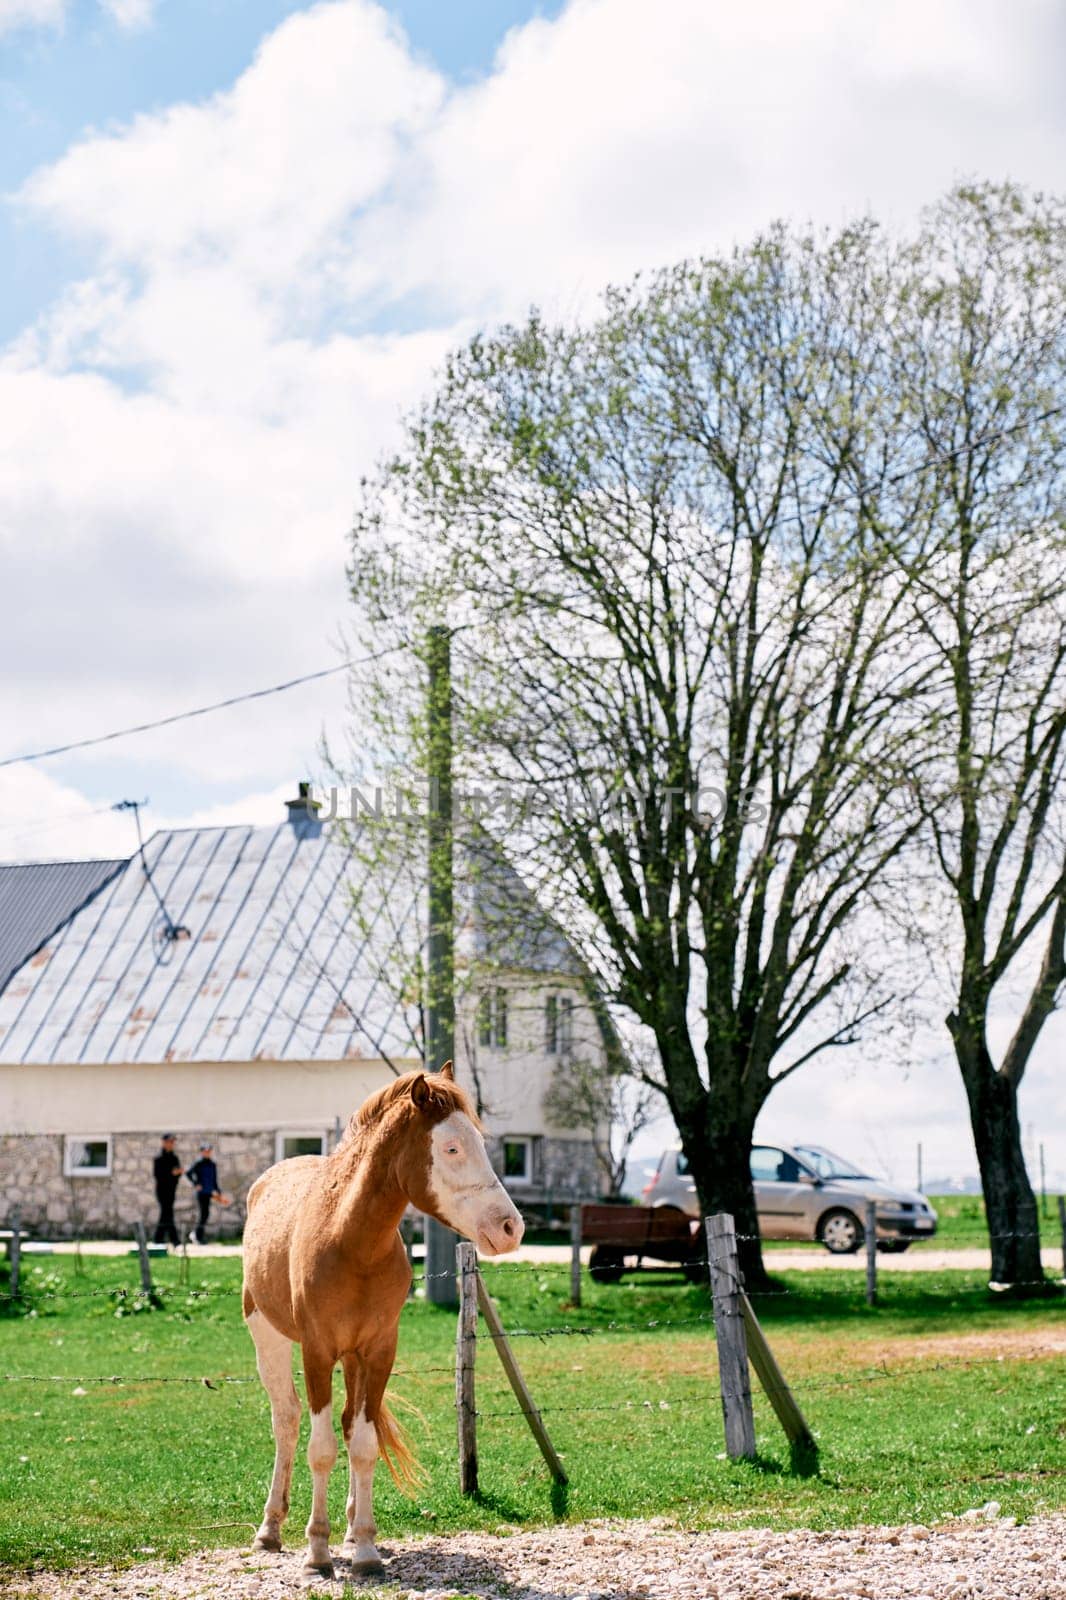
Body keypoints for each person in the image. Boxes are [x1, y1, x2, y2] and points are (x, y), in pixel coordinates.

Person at [186, 1143, 225, 1244]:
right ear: (202, 1152)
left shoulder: (212, 1164)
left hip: (209, 1191)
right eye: (205, 1151)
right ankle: (197, 1236)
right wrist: (196, 1184)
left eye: (209, 1151)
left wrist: (218, 1191)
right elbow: (188, 1173)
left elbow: (214, 1179)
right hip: (202, 1192)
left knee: (206, 1214)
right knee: (204, 1214)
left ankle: (197, 1234)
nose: (207, 1153)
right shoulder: (198, 1163)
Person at [152, 1134, 184, 1246]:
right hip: (162, 1191)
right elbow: (158, 1175)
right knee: (167, 1213)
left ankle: (159, 1239)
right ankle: (173, 1239)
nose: (171, 1144)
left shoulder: (174, 1158)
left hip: (171, 1190)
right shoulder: (158, 1158)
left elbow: (178, 1173)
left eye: (172, 1142)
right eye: (169, 1142)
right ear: (164, 1142)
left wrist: (177, 1173)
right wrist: (171, 1173)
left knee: (166, 1214)